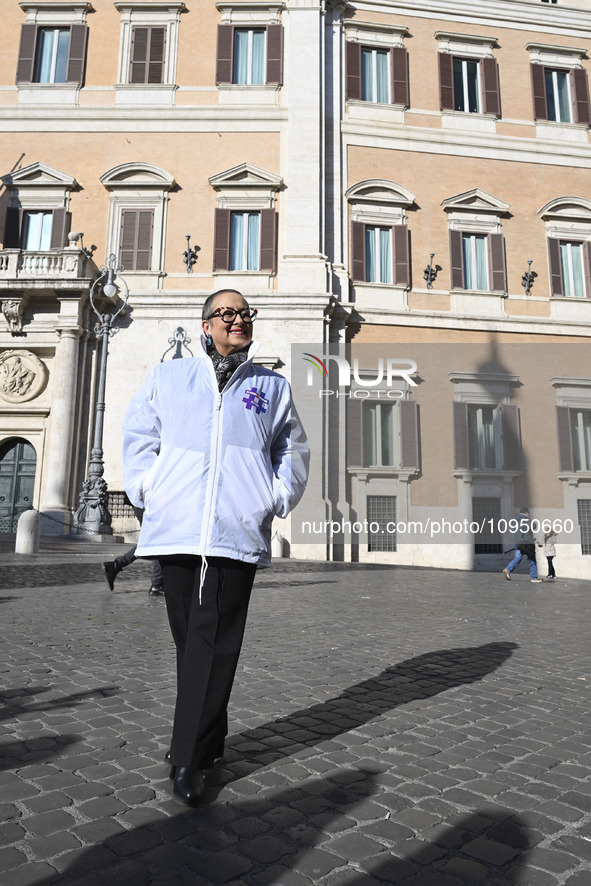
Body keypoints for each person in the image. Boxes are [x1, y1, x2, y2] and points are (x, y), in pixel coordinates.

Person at [121, 289, 309, 806]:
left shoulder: (272, 386)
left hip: (234, 531)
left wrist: (271, 498)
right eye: (227, 314)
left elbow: (290, 449)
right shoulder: (169, 377)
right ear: (205, 325)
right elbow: (139, 436)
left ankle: (188, 757)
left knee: (213, 641)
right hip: (176, 527)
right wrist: (147, 489)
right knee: (192, 644)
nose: (239, 321)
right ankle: (211, 737)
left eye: (245, 314)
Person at [103, 508, 164, 595]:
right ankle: (157, 584)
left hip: (149, 506)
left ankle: (115, 565)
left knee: (155, 542)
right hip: (149, 506)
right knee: (158, 542)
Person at [502, 507, 542, 583]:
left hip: (518, 543)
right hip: (526, 543)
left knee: (517, 558)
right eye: (528, 513)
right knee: (532, 559)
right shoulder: (526, 519)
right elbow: (533, 527)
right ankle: (534, 577)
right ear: (526, 513)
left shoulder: (515, 520)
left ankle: (507, 569)